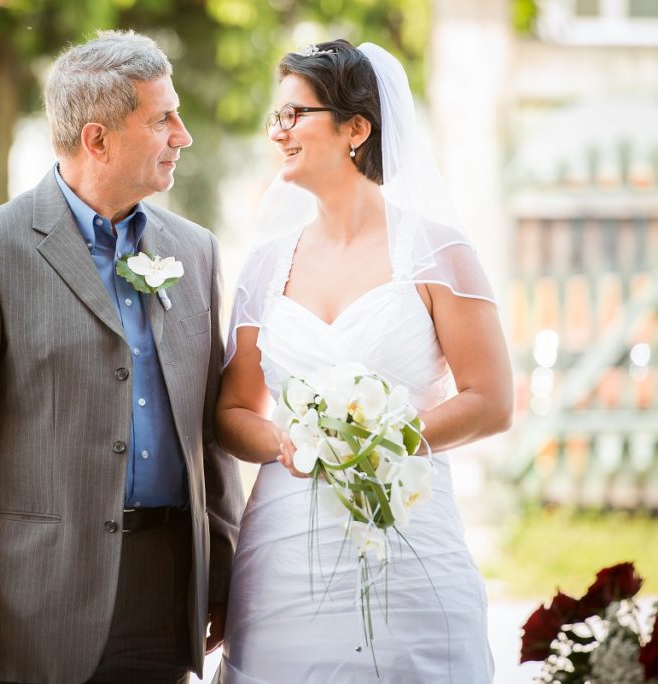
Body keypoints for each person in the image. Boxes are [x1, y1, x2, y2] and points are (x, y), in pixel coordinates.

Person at [0, 30, 244, 684]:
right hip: (27, 604)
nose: (183, 134)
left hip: (164, 596)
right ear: (98, 139)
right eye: (161, 119)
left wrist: (222, 572)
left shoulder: (195, 251)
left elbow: (208, 432)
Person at [214, 40, 513, 683]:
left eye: (296, 115)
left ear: (356, 128)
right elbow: (232, 409)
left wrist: (376, 441)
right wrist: (286, 440)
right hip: (285, 551)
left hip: (409, 538)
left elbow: (491, 400)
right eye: (278, 117)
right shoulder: (266, 265)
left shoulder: (437, 253)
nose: (279, 131)